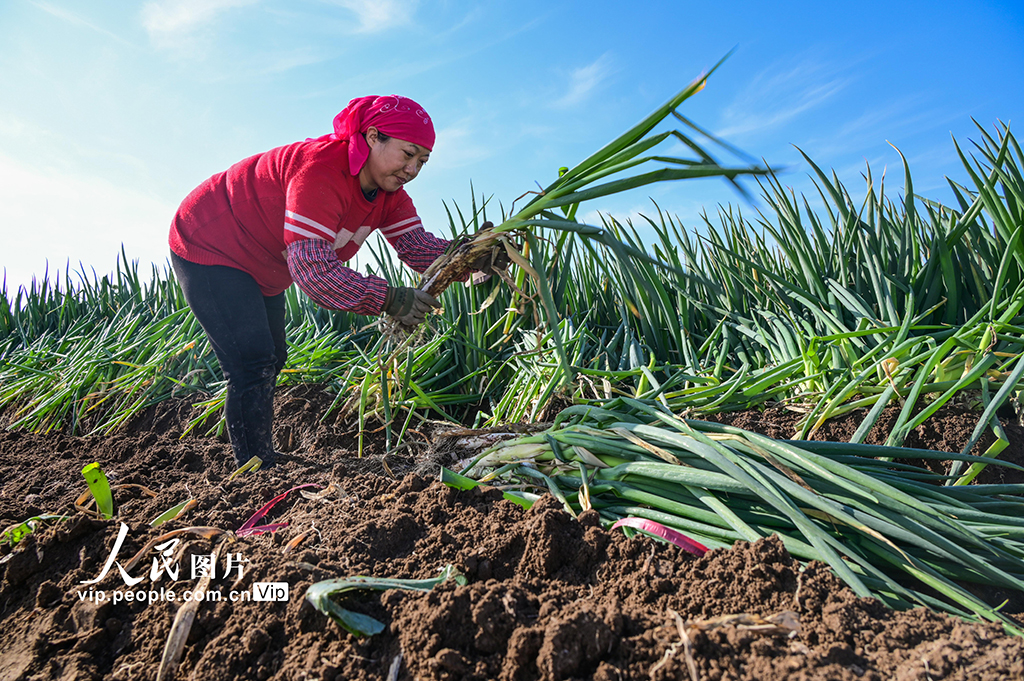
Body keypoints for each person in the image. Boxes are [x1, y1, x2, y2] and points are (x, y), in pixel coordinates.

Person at [168, 94, 501, 469]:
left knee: (273, 358)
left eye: (422, 160)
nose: (413, 169)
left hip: (263, 263)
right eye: (407, 154)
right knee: (251, 361)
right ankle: (254, 467)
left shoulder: (389, 194)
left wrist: (477, 256)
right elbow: (316, 275)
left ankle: (260, 456)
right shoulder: (320, 171)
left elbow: (418, 247)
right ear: (373, 137)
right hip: (212, 243)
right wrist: (390, 299)